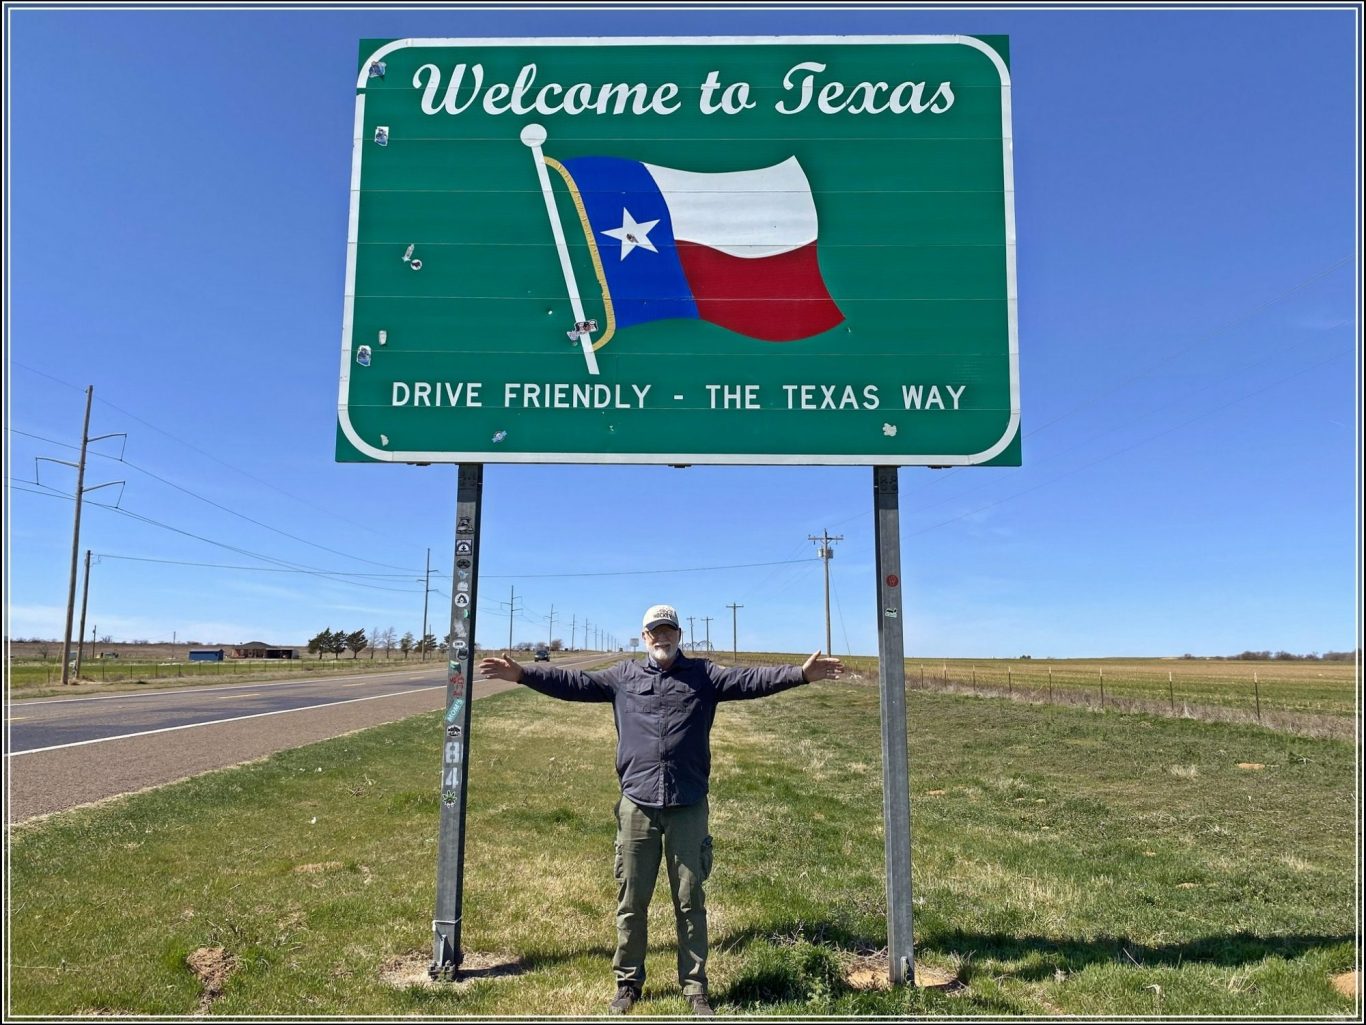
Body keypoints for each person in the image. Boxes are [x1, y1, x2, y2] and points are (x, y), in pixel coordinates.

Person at [479, 603, 845, 1016]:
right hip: (637, 804)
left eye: (668, 630)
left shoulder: (704, 675)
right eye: (655, 631)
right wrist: (524, 674)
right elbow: (574, 683)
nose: (662, 637)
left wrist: (799, 674)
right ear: (644, 637)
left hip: (688, 803)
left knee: (690, 900)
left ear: (679, 635)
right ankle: (628, 983)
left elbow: (751, 680)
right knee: (632, 901)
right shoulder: (624, 676)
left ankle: (695, 987)